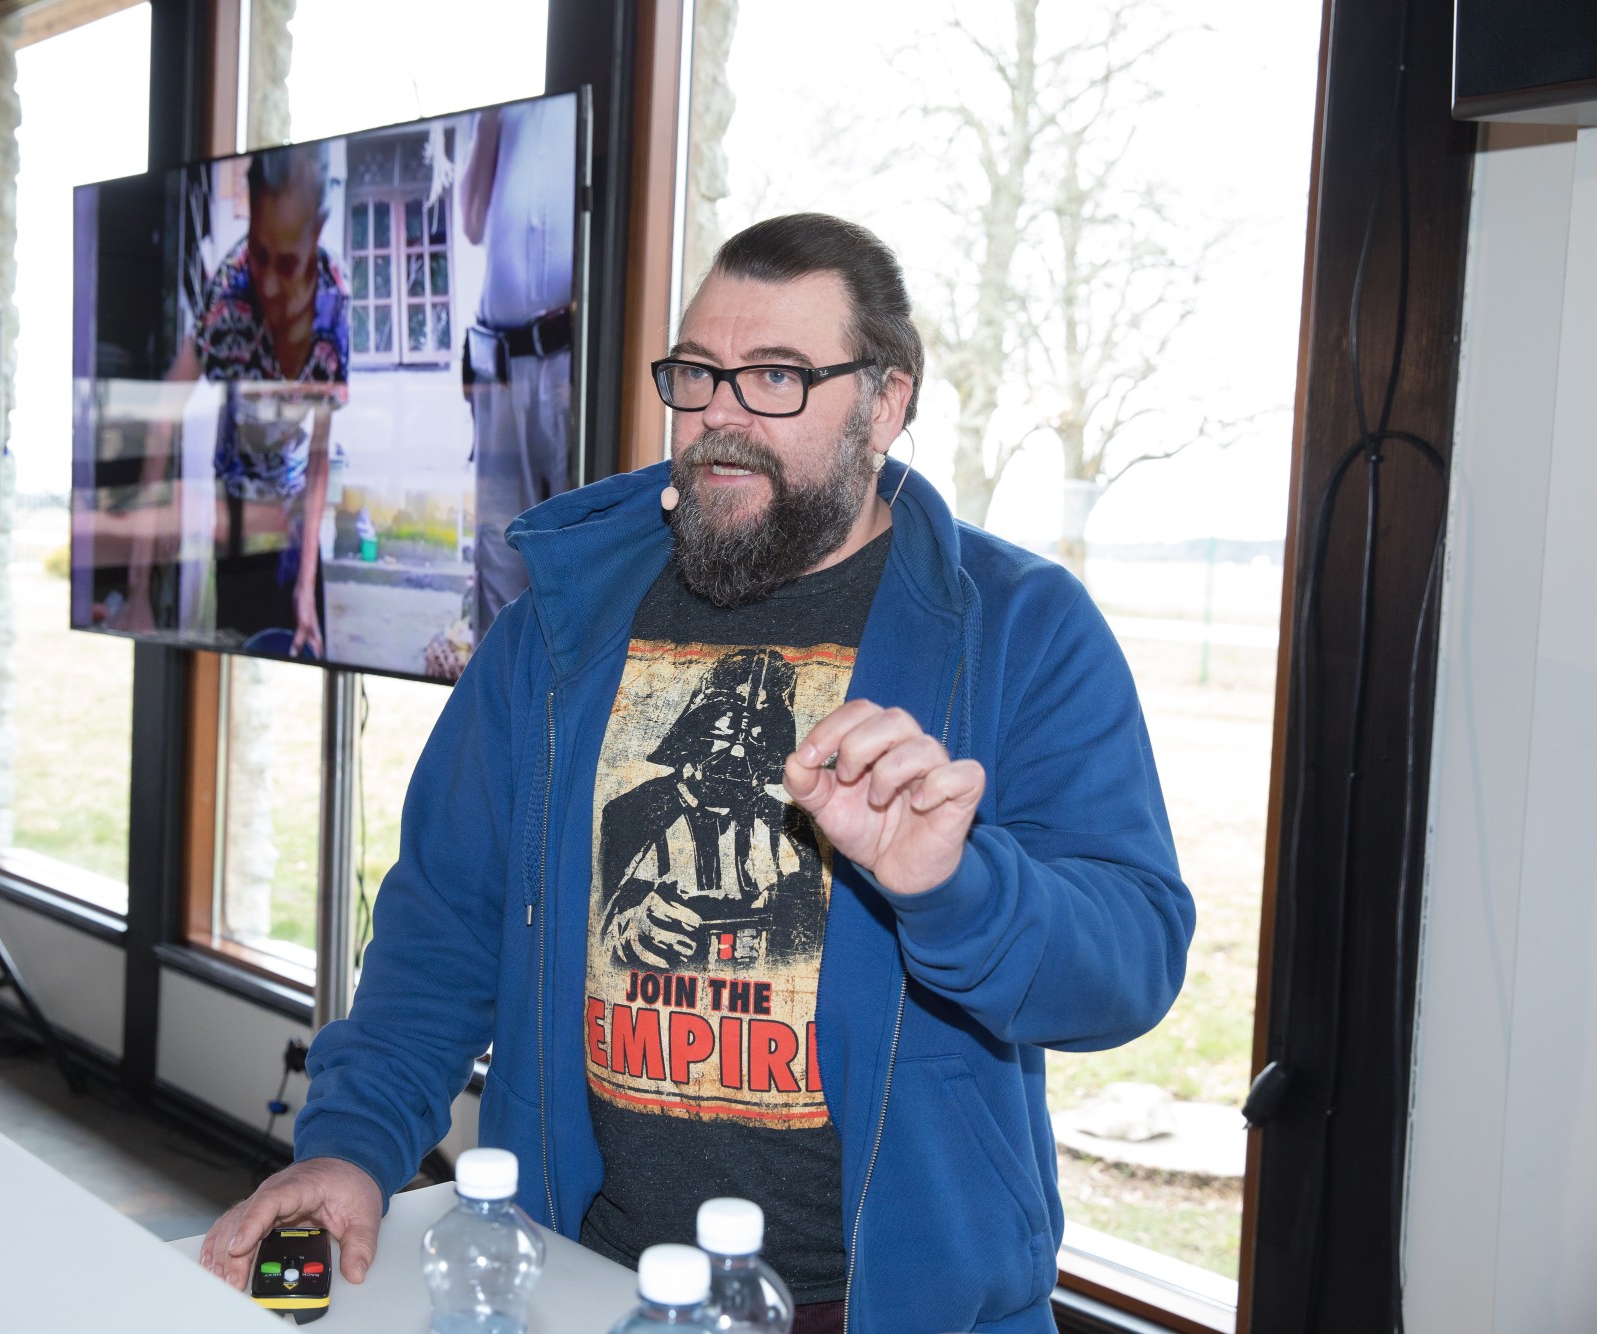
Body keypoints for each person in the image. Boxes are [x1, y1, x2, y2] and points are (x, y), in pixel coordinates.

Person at [197, 214, 1194, 1333]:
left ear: (885, 403)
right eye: (697, 373)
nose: (720, 412)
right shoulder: (559, 626)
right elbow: (443, 930)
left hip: (894, 1307)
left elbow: (1130, 962)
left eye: (775, 376)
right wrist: (350, 1147)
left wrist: (955, 887)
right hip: (584, 1283)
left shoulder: (1017, 629)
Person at [114, 141, 348, 656]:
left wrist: (305, 585)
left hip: (294, 519)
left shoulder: (332, 303)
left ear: (317, 230)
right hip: (237, 520)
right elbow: (165, 413)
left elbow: (318, 454)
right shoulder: (230, 290)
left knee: (304, 645)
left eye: (287, 262)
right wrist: (138, 582)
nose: (270, 285)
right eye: (260, 253)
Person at [459, 96, 576, 645]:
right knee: (499, 551)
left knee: (573, 552)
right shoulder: (499, 112)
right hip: (500, 364)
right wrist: (488, 121)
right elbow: (472, 221)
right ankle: (498, 689)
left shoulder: (579, 110)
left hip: (568, 361)